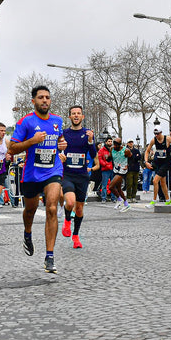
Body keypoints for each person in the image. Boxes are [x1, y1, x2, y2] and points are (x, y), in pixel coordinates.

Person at [8, 85, 67, 275]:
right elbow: (12, 149)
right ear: (33, 101)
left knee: (51, 208)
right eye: (41, 97)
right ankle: (27, 233)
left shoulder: (58, 120)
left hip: (53, 170)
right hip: (32, 173)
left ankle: (49, 256)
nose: (45, 100)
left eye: (48, 97)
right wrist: (32, 141)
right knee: (30, 210)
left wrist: (62, 145)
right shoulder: (26, 122)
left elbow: (60, 142)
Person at [58, 105, 96, 249]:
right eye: (73, 113)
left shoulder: (87, 134)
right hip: (67, 174)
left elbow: (93, 154)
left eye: (78, 113)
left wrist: (91, 141)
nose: (76, 116)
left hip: (82, 176)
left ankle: (75, 236)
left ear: (82, 117)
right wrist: (59, 156)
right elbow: (57, 150)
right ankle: (67, 220)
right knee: (70, 202)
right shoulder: (64, 133)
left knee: (79, 209)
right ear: (69, 117)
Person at [109, 138, 131, 212]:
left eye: (116, 145)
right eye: (114, 145)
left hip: (122, 171)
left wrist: (128, 165)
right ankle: (126, 204)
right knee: (118, 188)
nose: (114, 146)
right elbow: (110, 158)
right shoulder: (112, 149)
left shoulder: (126, 150)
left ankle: (119, 199)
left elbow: (132, 158)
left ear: (119, 145)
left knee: (111, 186)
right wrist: (107, 157)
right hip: (115, 169)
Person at [98, 137, 114, 202]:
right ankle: (103, 198)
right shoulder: (101, 150)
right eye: (109, 141)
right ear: (106, 142)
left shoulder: (113, 150)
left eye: (111, 141)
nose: (110, 142)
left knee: (113, 184)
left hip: (113, 169)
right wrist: (105, 164)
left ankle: (113, 198)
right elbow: (100, 159)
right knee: (104, 185)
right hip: (105, 169)